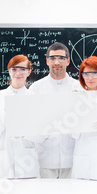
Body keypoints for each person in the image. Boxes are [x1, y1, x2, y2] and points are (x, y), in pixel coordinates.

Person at [29, 42, 81, 179]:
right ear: (47, 61)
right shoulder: (36, 88)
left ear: (68, 61)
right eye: (52, 58)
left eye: (61, 58)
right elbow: (30, 123)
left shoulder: (79, 88)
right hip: (44, 158)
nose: (57, 62)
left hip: (73, 157)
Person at [0, 54, 39, 179]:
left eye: (22, 69)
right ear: (9, 71)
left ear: (29, 72)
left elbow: (42, 136)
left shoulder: (35, 99)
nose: (18, 73)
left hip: (27, 165)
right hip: (3, 165)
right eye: (14, 69)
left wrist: (24, 132)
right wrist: (4, 113)